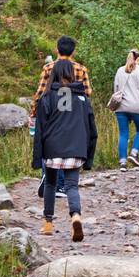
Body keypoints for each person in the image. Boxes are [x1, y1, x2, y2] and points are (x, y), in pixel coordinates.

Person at [32, 58, 97, 240]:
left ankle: (48, 224)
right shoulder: (82, 98)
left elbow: (40, 128)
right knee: (71, 186)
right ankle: (75, 216)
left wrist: (38, 155)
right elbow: (91, 128)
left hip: (52, 147)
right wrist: (88, 154)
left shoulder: (46, 97)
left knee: (51, 184)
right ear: (70, 74)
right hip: (75, 148)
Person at [32, 37, 93, 196]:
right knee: (67, 142)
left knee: (48, 141)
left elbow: (41, 93)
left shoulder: (48, 67)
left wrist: (34, 113)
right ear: (73, 51)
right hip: (73, 114)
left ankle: (49, 176)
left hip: (50, 110)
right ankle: (60, 183)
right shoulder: (81, 69)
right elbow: (87, 93)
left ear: (57, 50)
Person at [112, 48, 139, 169]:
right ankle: (134, 153)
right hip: (136, 106)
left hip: (121, 107)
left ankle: (122, 162)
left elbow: (116, 89)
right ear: (138, 58)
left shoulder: (120, 70)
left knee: (123, 134)